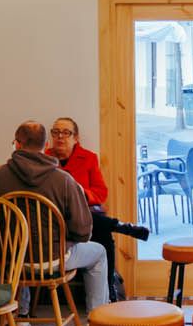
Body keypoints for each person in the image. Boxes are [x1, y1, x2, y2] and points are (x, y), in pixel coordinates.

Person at [0, 119, 113, 312]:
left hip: (10, 258)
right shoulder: (64, 180)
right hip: (54, 259)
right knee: (100, 252)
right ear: (46, 145)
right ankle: (97, 317)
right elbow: (83, 232)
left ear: (17, 144)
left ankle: (20, 314)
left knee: (19, 243)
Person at [46, 116, 146, 299]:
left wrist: (81, 194)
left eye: (66, 133)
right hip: (54, 221)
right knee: (103, 225)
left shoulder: (89, 158)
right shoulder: (44, 159)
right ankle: (120, 225)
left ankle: (109, 290)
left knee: (102, 235)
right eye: (55, 132)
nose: (60, 137)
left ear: (76, 138)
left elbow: (101, 193)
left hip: (82, 218)